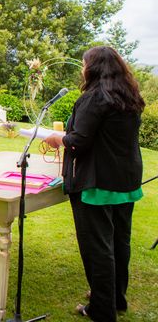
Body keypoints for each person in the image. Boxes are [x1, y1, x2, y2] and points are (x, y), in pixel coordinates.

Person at [43, 46, 145, 321]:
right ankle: (115, 298)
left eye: (84, 64)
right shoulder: (129, 96)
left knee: (98, 248)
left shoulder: (95, 97)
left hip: (98, 182)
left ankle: (102, 309)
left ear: (95, 67)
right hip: (125, 179)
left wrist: (57, 139)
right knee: (119, 243)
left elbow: (78, 142)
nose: (82, 69)